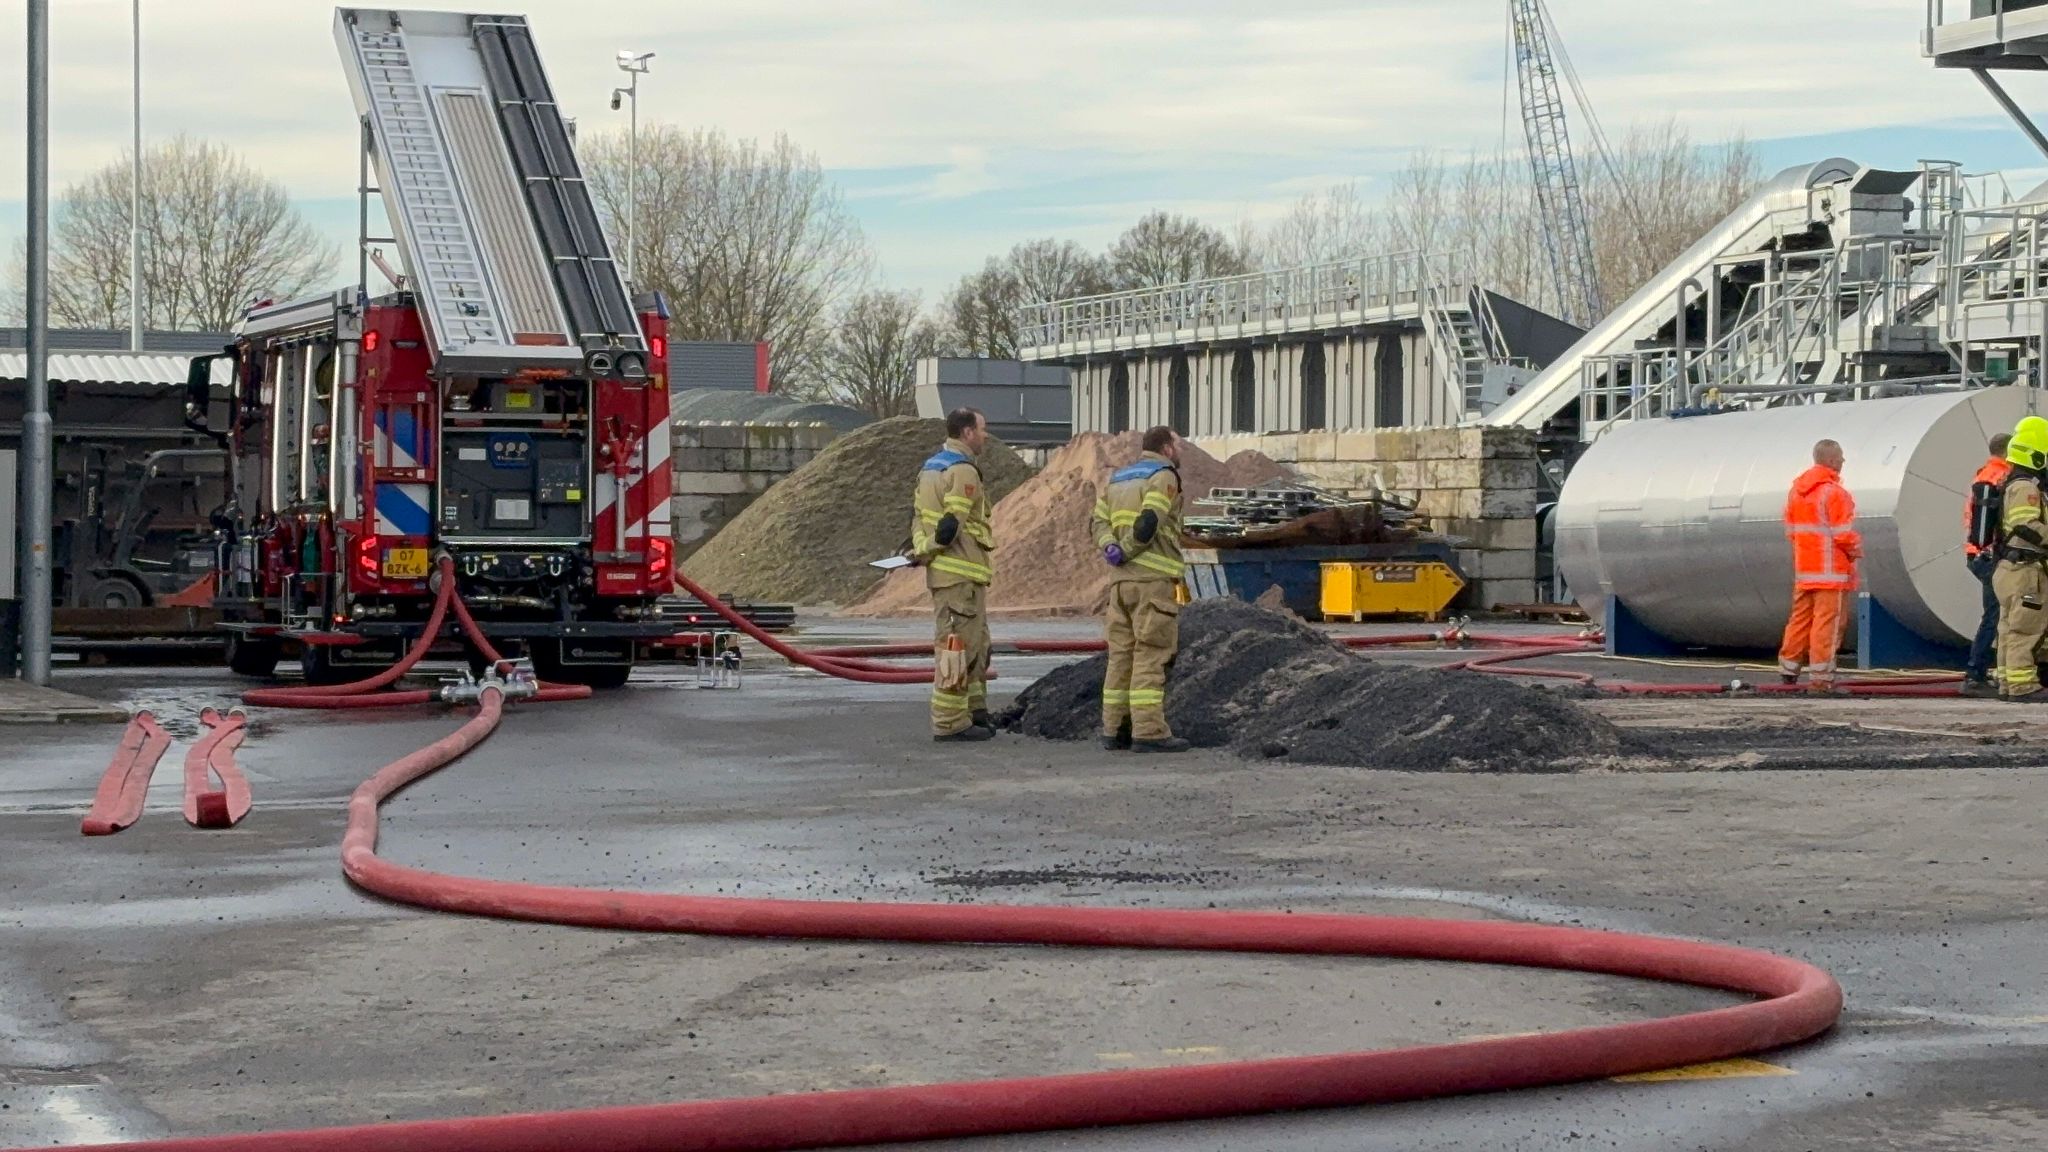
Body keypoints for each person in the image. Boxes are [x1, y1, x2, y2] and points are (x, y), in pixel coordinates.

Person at [1090, 426, 1190, 753]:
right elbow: (1149, 523)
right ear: (1166, 447)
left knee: (1121, 655)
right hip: (1152, 580)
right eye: (1177, 443)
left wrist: (1111, 550)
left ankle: (1114, 727)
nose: (1180, 450)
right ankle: (1148, 731)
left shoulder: (1118, 479)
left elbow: (1098, 522)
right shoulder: (1163, 477)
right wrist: (1129, 548)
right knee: (1151, 652)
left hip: (1120, 583)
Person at [909, 408, 996, 741]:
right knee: (956, 648)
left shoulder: (930, 469)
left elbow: (918, 517)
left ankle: (975, 712)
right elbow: (949, 526)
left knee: (974, 645)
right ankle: (950, 722)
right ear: (967, 432)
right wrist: (928, 548)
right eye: (982, 429)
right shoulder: (963, 471)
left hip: (955, 578)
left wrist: (921, 548)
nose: (986, 435)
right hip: (959, 575)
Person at [1779, 439, 1861, 691]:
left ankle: (1788, 669)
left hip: (1805, 571)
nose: (1844, 462)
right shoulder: (1835, 493)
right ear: (1832, 461)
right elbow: (1843, 534)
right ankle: (1822, 679)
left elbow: (1791, 531)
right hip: (1831, 573)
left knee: (1800, 620)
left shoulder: (1796, 492)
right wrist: (1855, 550)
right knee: (1827, 624)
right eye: (1841, 457)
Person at [1994, 417, 2048, 701]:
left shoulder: (2012, 483)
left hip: (2010, 567)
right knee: (2025, 628)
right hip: (2025, 568)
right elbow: (2026, 527)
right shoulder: (2026, 487)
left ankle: (2007, 682)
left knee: (2008, 628)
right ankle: (2022, 685)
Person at [1962, 432, 2013, 697]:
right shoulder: (1999, 477)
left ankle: (1981, 671)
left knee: (1996, 614)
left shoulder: (1984, 474)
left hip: (1980, 553)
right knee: (1995, 615)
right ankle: (1976, 673)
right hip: (1990, 555)